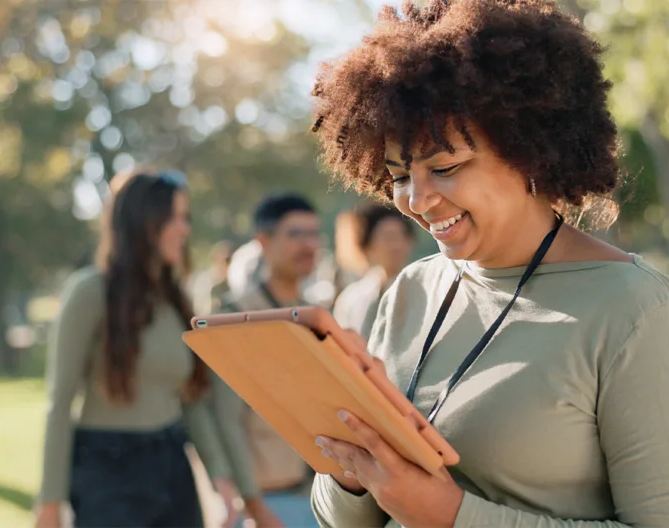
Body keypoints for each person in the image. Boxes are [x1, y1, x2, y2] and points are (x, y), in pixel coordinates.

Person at [307, 1, 669, 527]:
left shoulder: (633, 309)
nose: (417, 198)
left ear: (529, 150)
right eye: (399, 175)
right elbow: (343, 521)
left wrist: (451, 515)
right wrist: (351, 471)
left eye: (446, 166)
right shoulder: (412, 290)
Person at [35, 169, 245, 528]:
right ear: (141, 222)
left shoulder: (175, 299)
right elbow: (59, 401)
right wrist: (49, 503)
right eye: (173, 218)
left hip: (172, 463)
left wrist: (221, 479)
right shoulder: (89, 292)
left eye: (186, 218)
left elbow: (190, 399)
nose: (185, 229)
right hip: (108, 470)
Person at [205, 192, 323, 528]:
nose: (308, 245)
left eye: (314, 234)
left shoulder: (316, 315)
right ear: (263, 241)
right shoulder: (235, 316)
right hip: (267, 503)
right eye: (296, 234)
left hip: (318, 495)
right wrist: (253, 505)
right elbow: (226, 419)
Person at [332, 202, 416, 339]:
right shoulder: (351, 298)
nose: (397, 245)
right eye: (388, 237)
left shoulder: (423, 290)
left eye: (402, 236)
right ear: (368, 244)